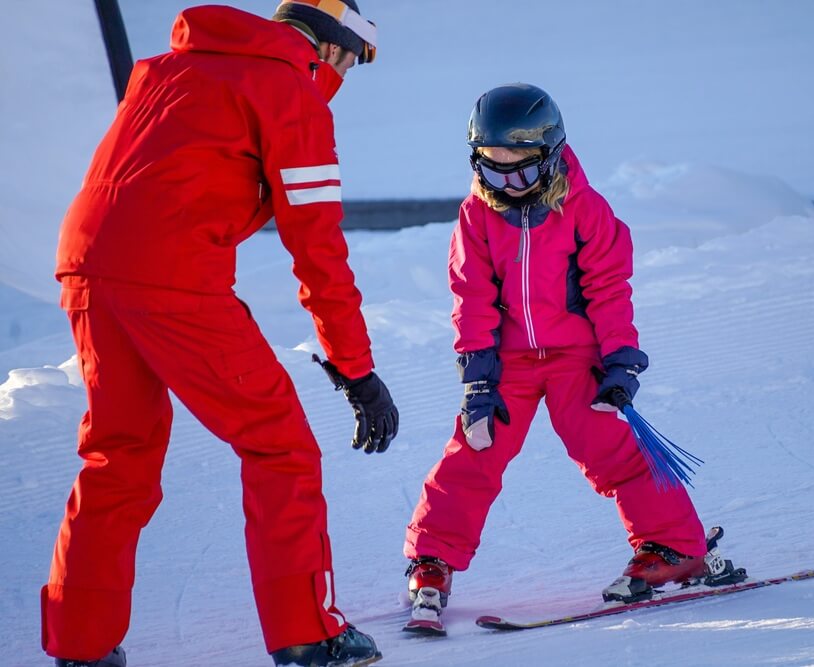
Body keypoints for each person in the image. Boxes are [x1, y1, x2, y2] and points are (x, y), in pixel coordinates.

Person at [42, 2, 394, 666]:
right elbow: (317, 249)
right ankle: (306, 634)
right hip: (169, 274)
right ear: (334, 47)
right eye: (353, 60)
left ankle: (80, 645)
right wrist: (356, 369)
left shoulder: (168, 67)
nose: (345, 76)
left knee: (117, 454)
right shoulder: (289, 87)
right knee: (281, 445)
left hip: (84, 261)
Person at [402, 83, 740, 630]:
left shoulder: (585, 211)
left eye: (519, 170)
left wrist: (621, 363)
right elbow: (473, 298)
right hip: (508, 362)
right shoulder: (476, 216)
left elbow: (609, 288)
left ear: (551, 155)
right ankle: (432, 561)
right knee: (474, 449)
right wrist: (478, 381)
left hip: (575, 357)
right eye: (492, 169)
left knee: (612, 449)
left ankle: (676, 548)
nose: (505, 185)